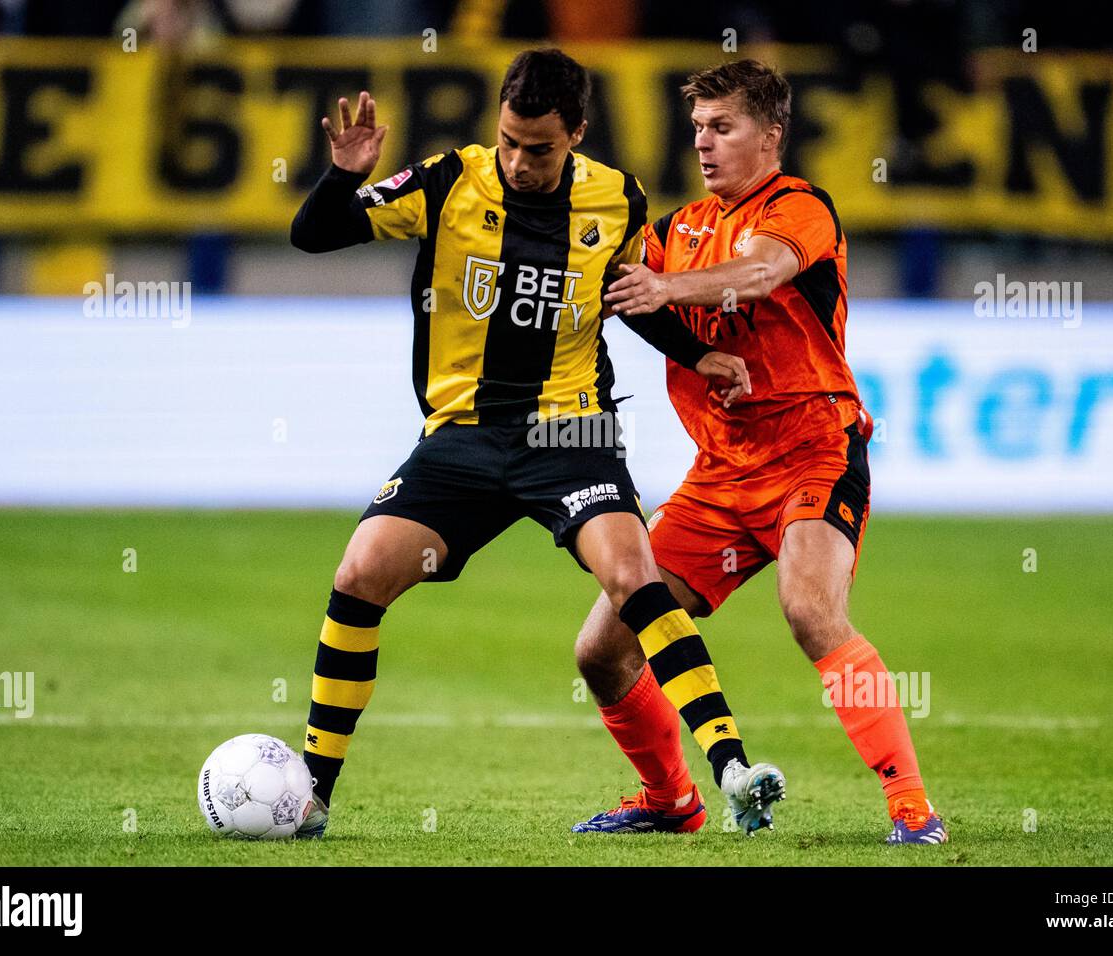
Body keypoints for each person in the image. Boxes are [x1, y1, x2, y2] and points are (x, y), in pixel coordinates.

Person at [286, 48, 782, 838]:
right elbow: (313, 236)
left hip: (572, 430)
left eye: (540, 148)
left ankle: (734, 769)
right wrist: (344, 175)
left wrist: (699, 354)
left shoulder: (618, 198)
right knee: (358, 575)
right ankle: (309, 793)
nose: (519, 161)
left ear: (577, 133)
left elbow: (633, 298)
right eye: (509, 141)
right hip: (462, 436)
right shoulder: (447, 181)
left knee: (632, 574)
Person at [574, 59, 947, 844]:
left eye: (723, 127)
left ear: (770, 133)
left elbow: (764, 271)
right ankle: (668, 800)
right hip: (719, 474)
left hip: (815, 447)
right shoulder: (676, 229)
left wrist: (668, 289)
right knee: (603, 650)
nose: (704, 145)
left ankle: (913, 809)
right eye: (698, 128)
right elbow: (613, 278)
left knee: (811, 607)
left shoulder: (800, 207)